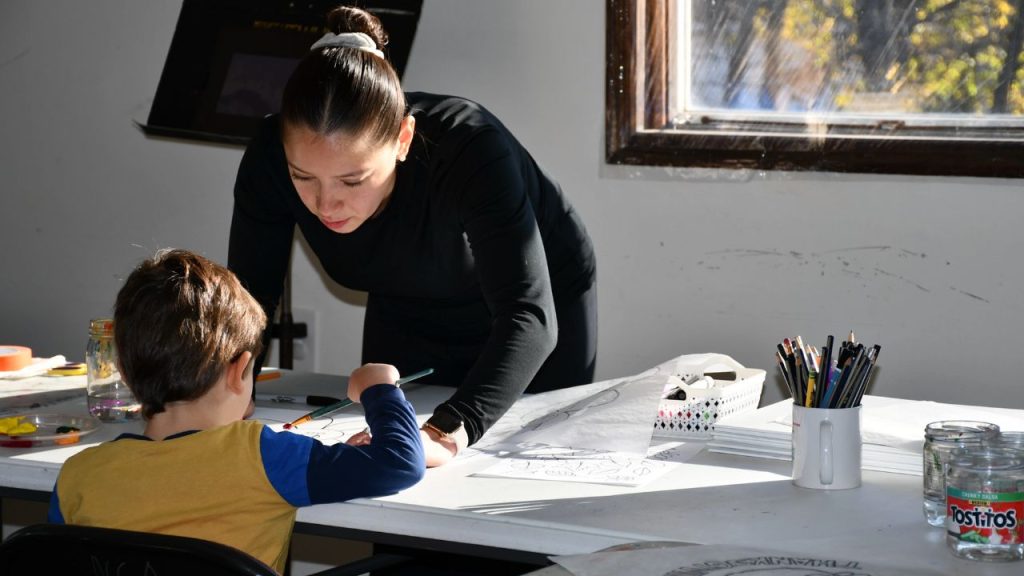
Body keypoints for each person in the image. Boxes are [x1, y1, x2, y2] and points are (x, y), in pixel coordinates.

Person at [228, 5, 597, 467]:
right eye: (303, 177)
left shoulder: (472, 148)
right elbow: (247, 302)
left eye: (352, 180)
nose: (325, 205)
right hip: (404, 295)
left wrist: (445, 432)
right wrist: (223, 387)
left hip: (534, 305)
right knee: (389, 471)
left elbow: (529, 315)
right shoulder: (267, 155)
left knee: (524, 465)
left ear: (404, 139)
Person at [47, 249, 424, 574]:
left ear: (126, 372)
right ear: (239, 371)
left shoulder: (77, 477)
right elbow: (400, 463)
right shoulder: (262, 456)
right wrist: (381, 389)